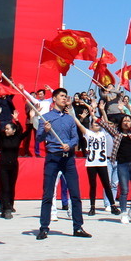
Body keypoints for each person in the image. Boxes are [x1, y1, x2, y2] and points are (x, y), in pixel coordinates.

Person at [36, 87, 90, 240]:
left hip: (68, 159)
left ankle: (78, 227)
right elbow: (39, 138)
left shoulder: (69, 119)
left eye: (66, 96)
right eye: (61, 96)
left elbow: (76, 138)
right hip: (53, 158)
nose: (64, 98)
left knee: (75, 194)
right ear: (54, 98)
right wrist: (46, 130)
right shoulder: (45, 118)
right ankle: (44, 228)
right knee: (48, 194)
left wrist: (70, 145)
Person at [96, 104, 131, 224]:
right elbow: (105, 125)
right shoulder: (117, 134)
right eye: (124, 121)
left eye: (128, 121)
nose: (126, 122)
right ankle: (123, 212)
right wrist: (94, 114)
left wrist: (129, 108)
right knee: (124, 190)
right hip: (122, 165)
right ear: (121, 123)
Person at [72, 109, 119, 216]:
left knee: (107, 184)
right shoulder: (88, 133)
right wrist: (72, 113)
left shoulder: (104, 133)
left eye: (98, 123)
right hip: (91, 163)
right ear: (91, 125)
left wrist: (99, 112)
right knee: (92, 185)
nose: (96, 124)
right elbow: (79, 124)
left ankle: (112, 205)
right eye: (94, 123)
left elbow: (106, 123)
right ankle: (92, 207)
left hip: (102, 163)